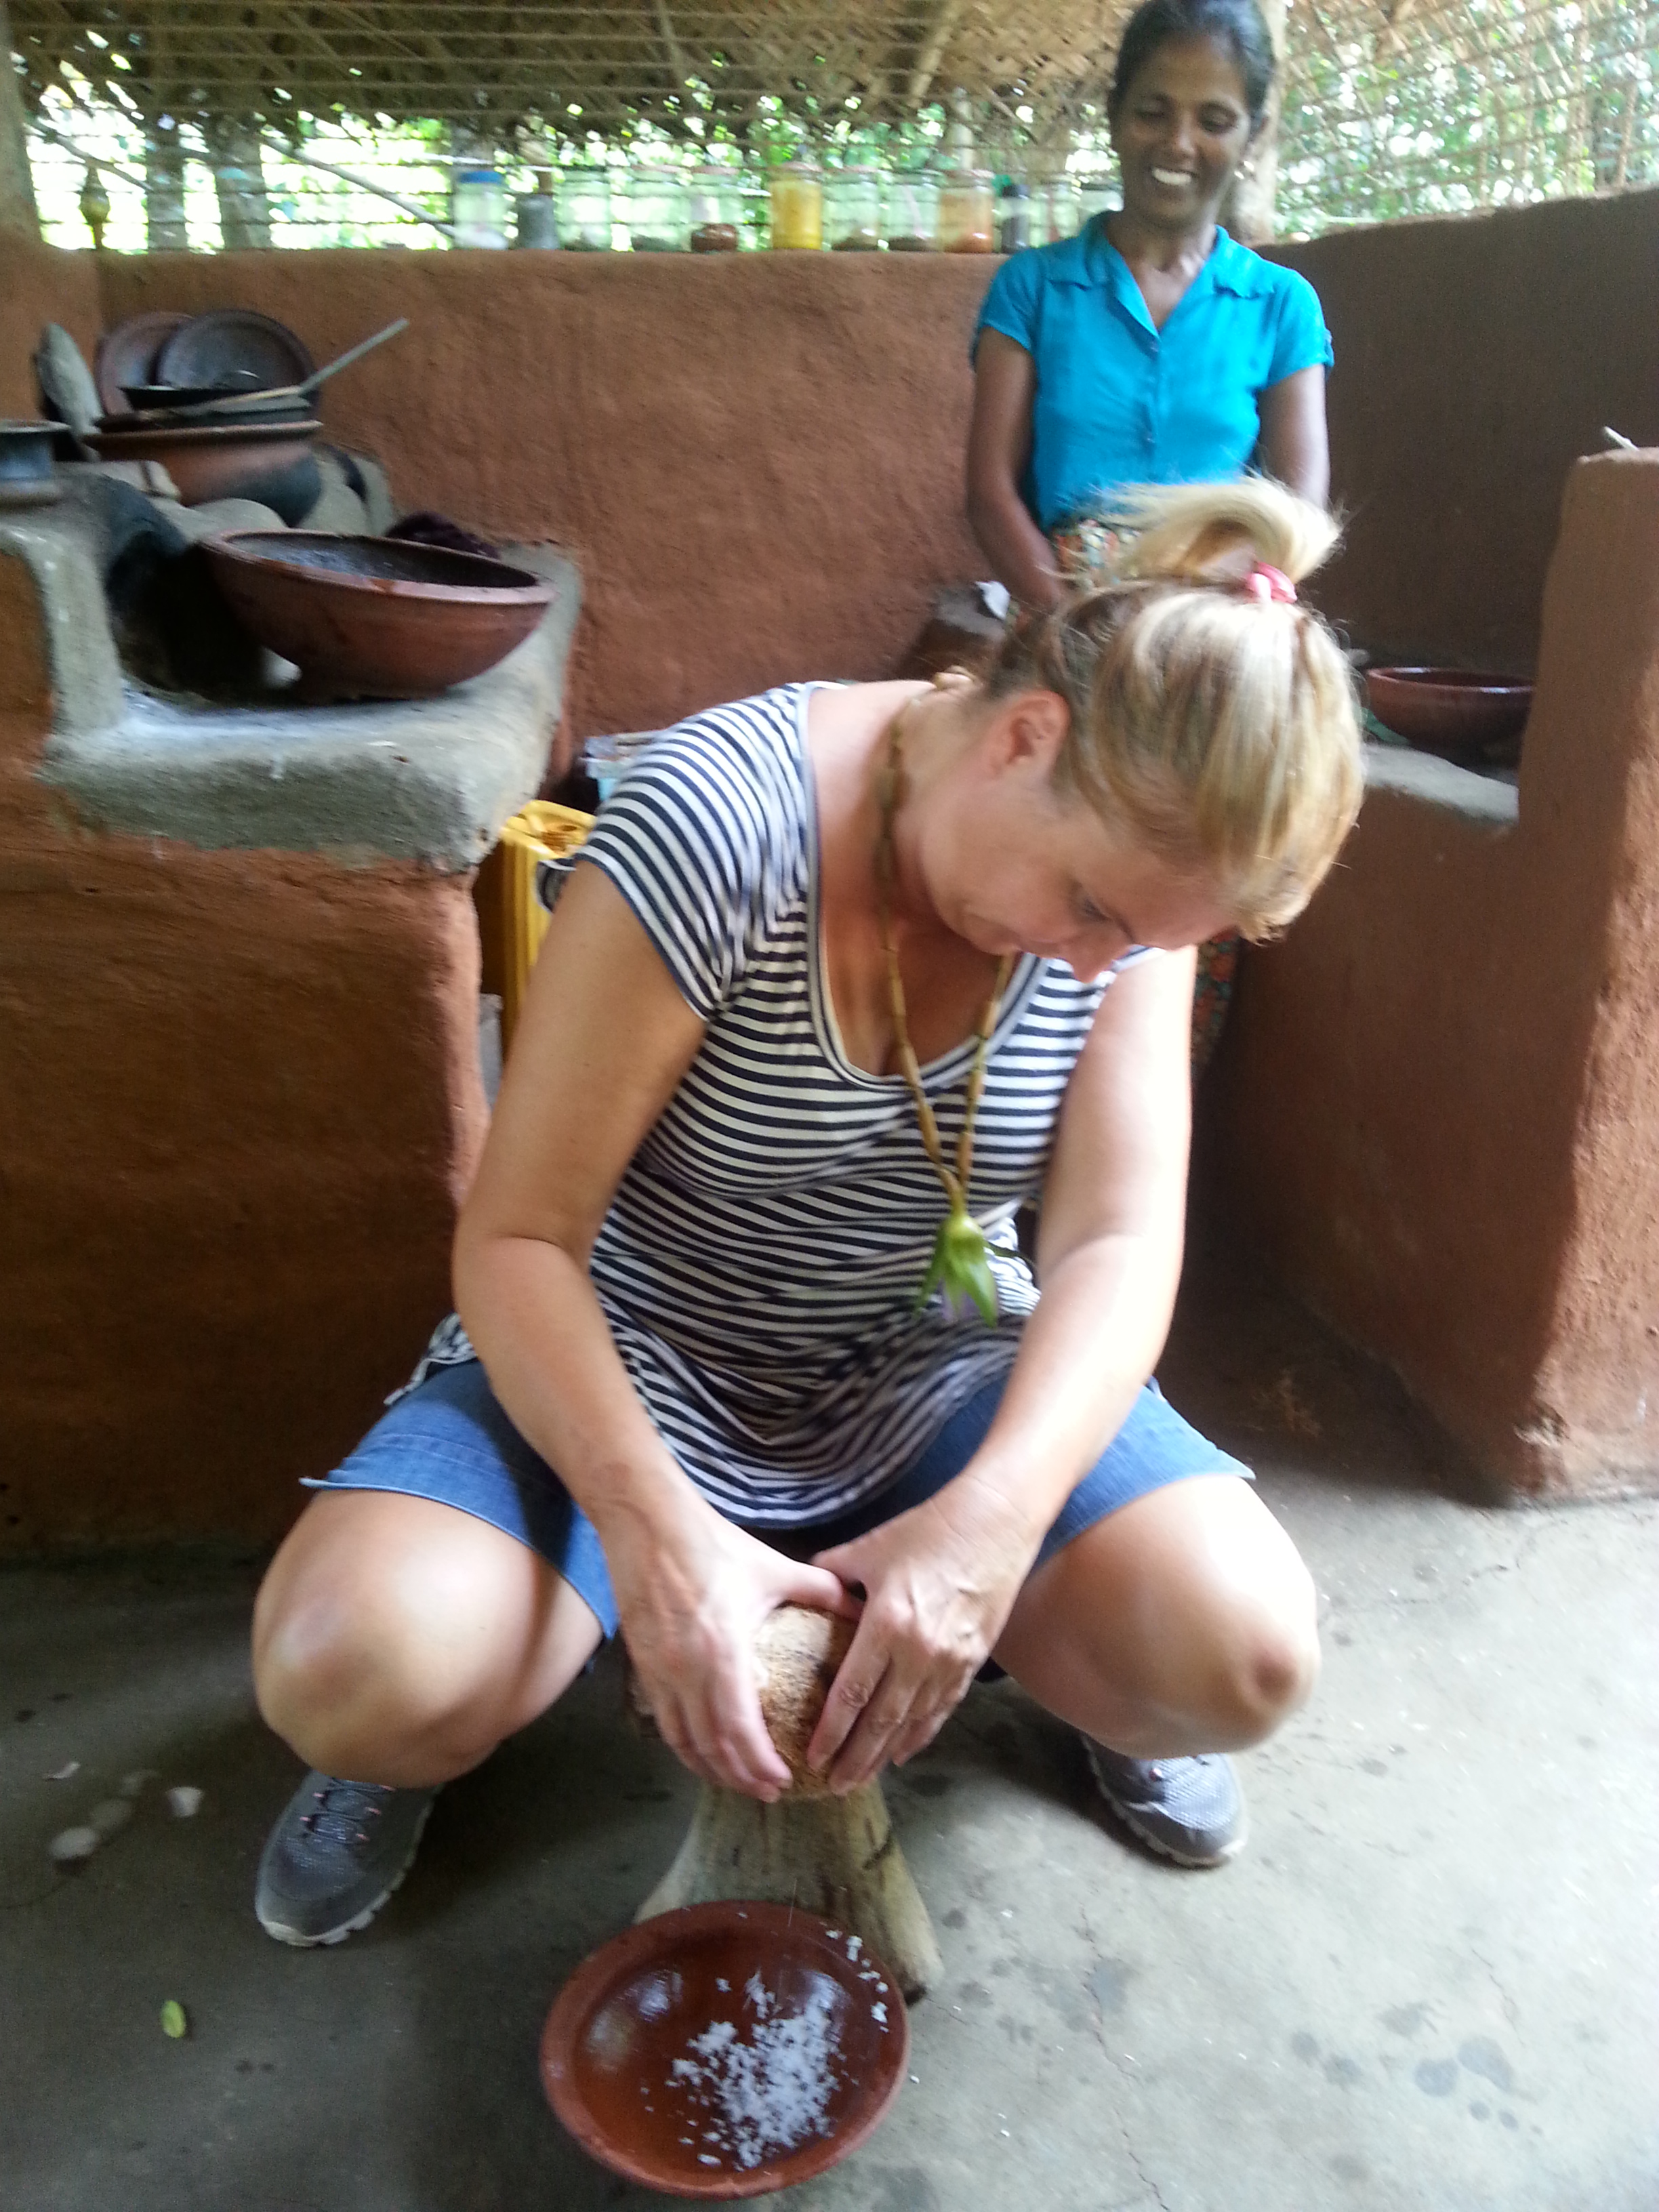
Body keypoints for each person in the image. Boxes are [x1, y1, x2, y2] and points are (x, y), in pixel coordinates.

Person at [249, 478, 1364, 1951]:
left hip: (933, 1359)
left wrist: (992, 1523)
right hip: (638, 1348)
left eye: (1150, 942)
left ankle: (1061, 1669)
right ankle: (460, 1712)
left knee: (1237, 1657)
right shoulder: (720, 824)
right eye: (1094, 909)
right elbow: (520, 1241)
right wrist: (651, 1531)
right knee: (355, 1673)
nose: (1097, 969)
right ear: (1027, 738)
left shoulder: (1134, 899)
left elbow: (1115, 1238)